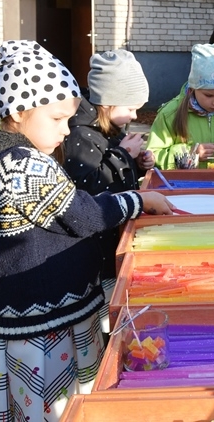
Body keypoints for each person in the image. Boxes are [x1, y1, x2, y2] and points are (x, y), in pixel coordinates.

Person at [0, 40, 173, 421]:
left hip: (20, 312)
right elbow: (84, 215)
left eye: (70, 119)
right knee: (60, 401)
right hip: (48, 314)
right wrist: (137, 201)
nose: (66, 130)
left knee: (29, 398)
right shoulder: (25, 167)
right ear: (19, 112)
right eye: (56, 119)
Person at [62, 49, 154, 326]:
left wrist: (137, 163)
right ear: (107, 102)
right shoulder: (82, 134)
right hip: (93, 246)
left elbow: (113, 174)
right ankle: (102, 329)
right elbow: (88, 185)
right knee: (102, 299)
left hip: (109, 231)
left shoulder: (108, 129)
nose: (134, 114)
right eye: (129, 108)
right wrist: (124, 155)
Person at [146, 43, 214, 169]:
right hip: (185, 186)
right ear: (194, 88)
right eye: (209, 95)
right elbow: (154, 155)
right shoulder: (171, 113)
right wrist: (190, 153)